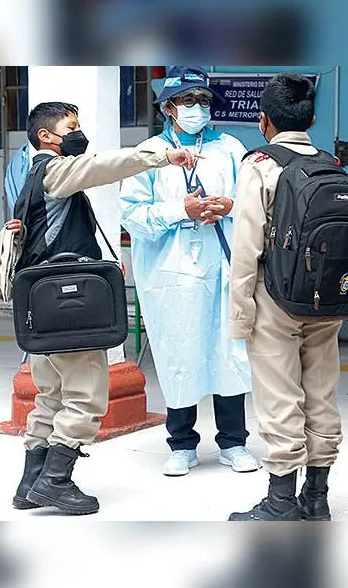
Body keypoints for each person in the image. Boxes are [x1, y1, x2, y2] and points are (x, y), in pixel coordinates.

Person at [7, 101, 198, 515]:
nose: (78, 133)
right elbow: (108, 165)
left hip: (42, 311)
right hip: (69, 307)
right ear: (46, 136)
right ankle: (56, 482)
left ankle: (30, 483)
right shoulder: (56, 171)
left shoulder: (26, 176)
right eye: (70, 127)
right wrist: (163, 155)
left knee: (51, 395)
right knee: (86, 397)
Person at [120, 66, 259, 477]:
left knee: (228, 352)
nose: (197, 108)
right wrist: (181, 210)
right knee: (179, 350)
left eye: (203, 100)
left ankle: (234, 441)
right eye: (188, 100)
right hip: (172, 272)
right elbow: (132, 214)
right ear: (168, 107)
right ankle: (181, 444)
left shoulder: (230, 148)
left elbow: (253, 200)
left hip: (222, 265)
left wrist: (229, 206)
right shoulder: (150, 153)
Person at [227, 73, 342, 521]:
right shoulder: (331, 163)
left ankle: (280, 501)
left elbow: (246, 248)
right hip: (327, 300)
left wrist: (241, 316)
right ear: (311, 118)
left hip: (275, 299)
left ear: (263, 121)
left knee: (279, 398)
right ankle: (317, 497)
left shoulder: (260, 165)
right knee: (321, 393)